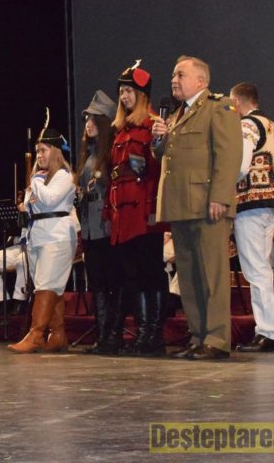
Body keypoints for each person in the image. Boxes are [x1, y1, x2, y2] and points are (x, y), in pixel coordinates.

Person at [152, 55, 243, 360]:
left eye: (180, 75)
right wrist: (159, 140)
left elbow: (228, 155)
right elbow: (164, 158)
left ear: (201, 81)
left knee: (211, 275)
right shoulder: (176, 115)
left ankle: (216, 339)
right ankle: (198, 335)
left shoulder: (220, 107)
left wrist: (220, 197)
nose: (173, 80)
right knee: (189, 276)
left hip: (207, 204)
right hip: (180, 205)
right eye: (173, 75)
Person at [101, 61, 168, 356]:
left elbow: (158, 169)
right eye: (122, 92)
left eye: (129, 91)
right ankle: (143, 333)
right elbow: (114, 175)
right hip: (123, 214)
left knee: (150, 272)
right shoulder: (120, 130)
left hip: (144, 211)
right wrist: (108, 212)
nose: (124, 96)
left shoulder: (154, 125)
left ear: (142, 95)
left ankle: (153, 335)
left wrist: (154, 212)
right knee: (133, 275)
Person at [7, 125, 78, 353]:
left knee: (47, 284)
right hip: (38, 235)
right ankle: (57, 334)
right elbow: (31, 206)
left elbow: (48, 200)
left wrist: (36, 180)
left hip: (57, 235)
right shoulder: (39, 179)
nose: (39, 155)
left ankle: (36, 334)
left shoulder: (64, 176)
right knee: (48, 285)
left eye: (43, 150)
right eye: (37, 151)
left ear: (55, 151)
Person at [229, 83, 274, 352]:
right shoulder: (273, 127)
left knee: (255, 270)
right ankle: (268, 330)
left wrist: (223, 185)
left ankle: (267, 331)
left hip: (251, 202)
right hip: (273, 203)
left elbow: (240, 164)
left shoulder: (247, 125)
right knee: (262, 267)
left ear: (238, 102)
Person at [75, 90, 117, 354]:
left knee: (109, 282)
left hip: (106, 227)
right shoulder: (88, 154)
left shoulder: (110, 153)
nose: (88, 124)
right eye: (86, 119)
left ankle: (110, 335)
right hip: (90, 228)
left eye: (93, 119)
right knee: (98, 283)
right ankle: (102, 335)